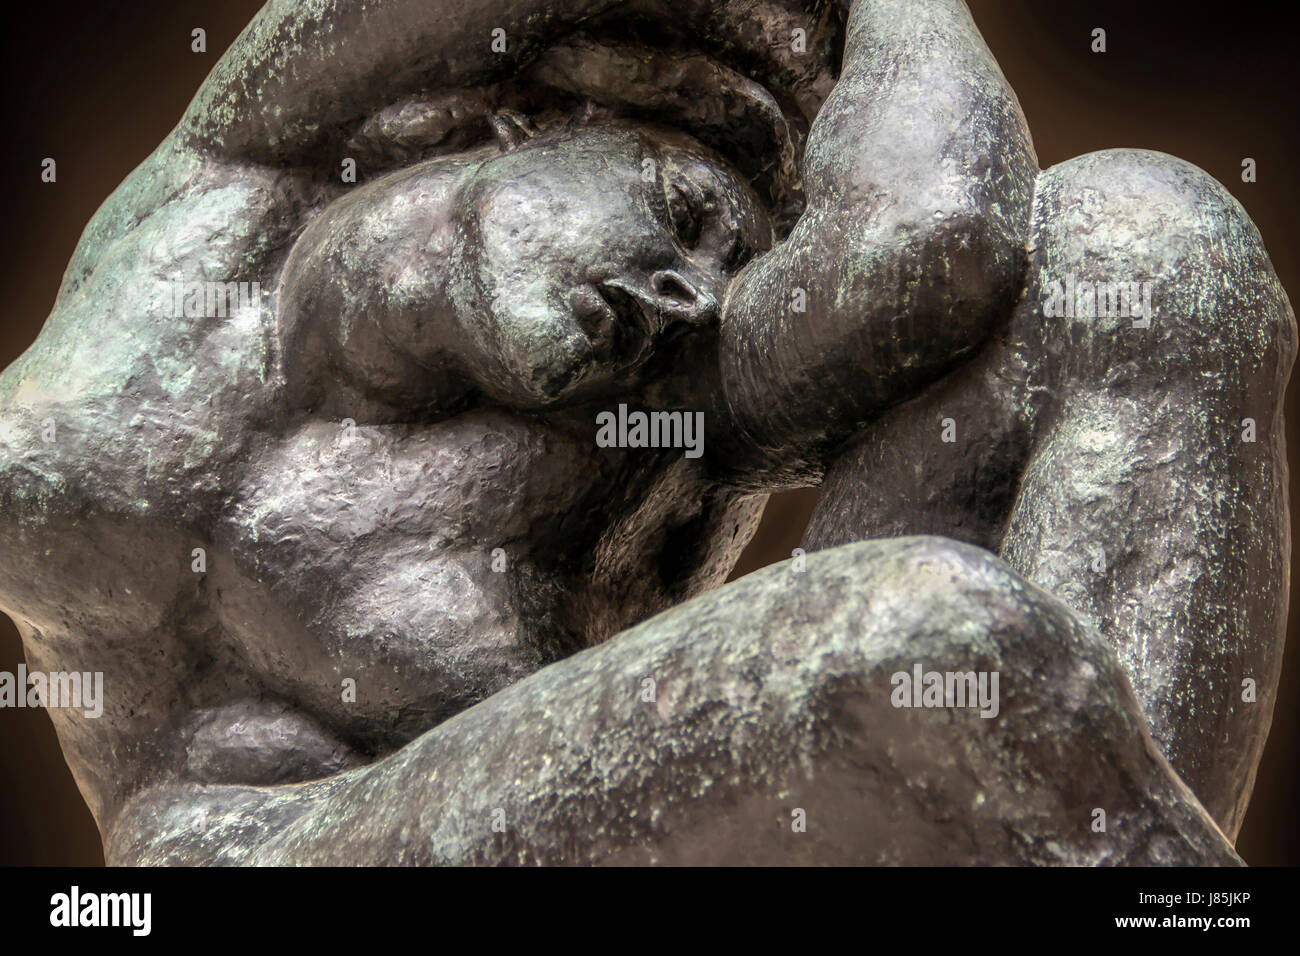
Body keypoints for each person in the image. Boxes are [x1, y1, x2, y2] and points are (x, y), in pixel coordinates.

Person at [0, 0, 1287, 864]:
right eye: (677, 212)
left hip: (715, 793)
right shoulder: (228, 196)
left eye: (726, 273)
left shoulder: (663, 403)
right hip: (264, 850)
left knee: (1153, 241)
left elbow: (935, 242)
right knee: (937, 640)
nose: (684, 296)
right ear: (525, 130)